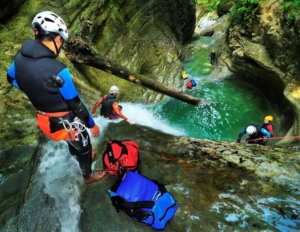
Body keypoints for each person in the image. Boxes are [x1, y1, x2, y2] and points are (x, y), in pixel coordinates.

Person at [6, 11, 107, 184]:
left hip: (45, 122)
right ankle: (88, 175)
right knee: (84, 144)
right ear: (56, 38)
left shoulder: (19, 59)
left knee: (72, 142)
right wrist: (92, 125)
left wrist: (35, 91)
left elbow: (11, 77)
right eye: (61, 39)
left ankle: (82, 156)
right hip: (66, 122)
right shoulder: (57, 70)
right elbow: (76, 104)